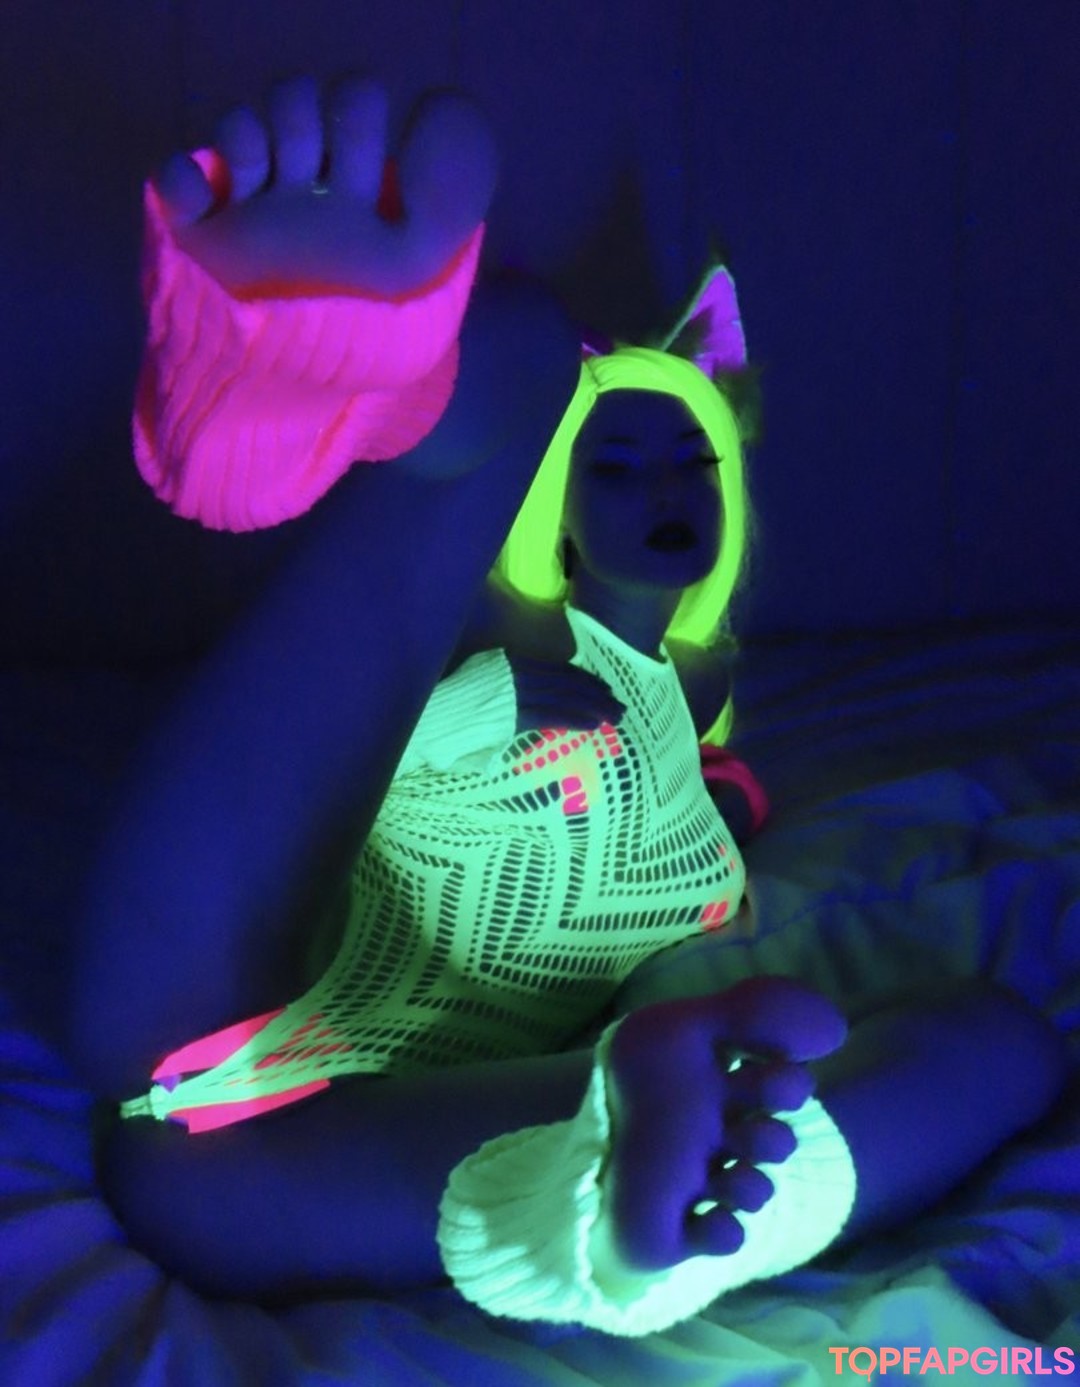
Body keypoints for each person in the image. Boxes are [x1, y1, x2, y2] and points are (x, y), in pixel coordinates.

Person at [67, 78, 1066, 1334]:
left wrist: (715, 814)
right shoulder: (505, 634)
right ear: (561, 510)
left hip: (309, 1150)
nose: (666, 486)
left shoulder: (703, 745)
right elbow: (337, 758)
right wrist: (481, 706)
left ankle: (667, 1211)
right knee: (529, 347)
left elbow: (704, 816)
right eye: (617, 463)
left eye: (693, 458)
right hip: (223, 972)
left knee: (1005, 1047)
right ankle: (302, 388)